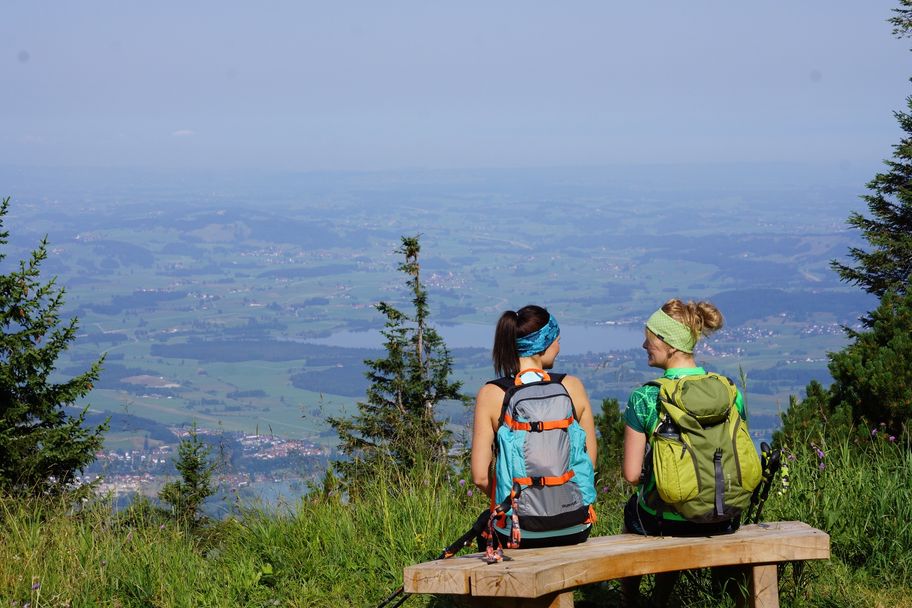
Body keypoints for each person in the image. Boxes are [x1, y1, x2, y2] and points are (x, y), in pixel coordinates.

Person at [621, 298, 748, 606]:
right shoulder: (730, 391)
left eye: (650, 339)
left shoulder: (647, 397)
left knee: (634, 510)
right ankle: (723, 597)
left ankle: (632, 601)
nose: (643, 345)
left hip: (665, 522)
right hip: (724, 515)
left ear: (671, 346)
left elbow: (632, 475)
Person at [471, 305, 598, 549]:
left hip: (518, 528)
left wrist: (511, 500)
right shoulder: (572, 387)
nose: (559, 347)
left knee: (485, 529)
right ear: (544, 344)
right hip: (574, 524)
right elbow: (589, 461)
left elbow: (479, 476)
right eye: (557, 340)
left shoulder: (491, 394)